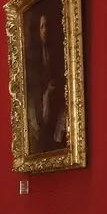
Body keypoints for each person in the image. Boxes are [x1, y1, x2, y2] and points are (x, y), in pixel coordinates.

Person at [26, 11, 67, 152]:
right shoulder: (33, 59)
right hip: (41, 108)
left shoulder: (54, 54)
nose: (45, 30)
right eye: (42, 27)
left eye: (47, 26)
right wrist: (46, 93)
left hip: (54, 104)